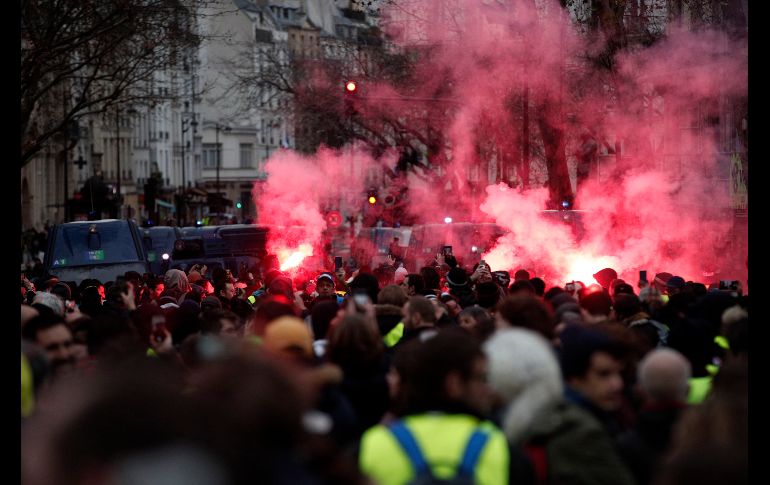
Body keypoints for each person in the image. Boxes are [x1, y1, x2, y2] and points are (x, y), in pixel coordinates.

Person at [359, 328, 514, 485]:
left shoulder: (375, 442)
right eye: (482, 378)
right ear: (454, 383)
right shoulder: (496, 443)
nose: (487, 388)